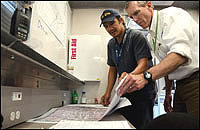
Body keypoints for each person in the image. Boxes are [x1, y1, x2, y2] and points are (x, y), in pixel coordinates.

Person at [119, 1, 199, 119]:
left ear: (149, 5)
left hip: (195, 80)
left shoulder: (171, 15)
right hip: (180, 84)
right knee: (180, 124)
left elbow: (180, 55)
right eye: (131, 17)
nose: (135, 19)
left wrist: (146, 77)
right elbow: (166, 65)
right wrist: (167, 93)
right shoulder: (151, 37)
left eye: (136, 13)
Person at [99, 8, 156, 129]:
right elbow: (112, 69)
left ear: (120, 20)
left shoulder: (135, 36)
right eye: (106, 26)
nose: (110, 29)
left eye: (112, 23)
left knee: (143, 125)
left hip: (142, 92)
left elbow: (143, 64)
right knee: (126, 124)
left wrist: (129, 75)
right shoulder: (111, 44)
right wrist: (107, 92)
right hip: (126, 92)